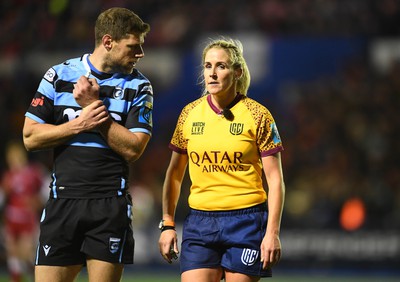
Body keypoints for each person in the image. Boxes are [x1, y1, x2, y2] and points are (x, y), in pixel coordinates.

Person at [22, 7, 153, 282]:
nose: (140, 54)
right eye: (133, 46)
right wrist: (78, 124)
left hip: (109, 206)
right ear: (108, 42)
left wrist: (94, 107)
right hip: (63, 202)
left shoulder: (139, 86)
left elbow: (133, 149)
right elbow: (30, 137)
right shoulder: (58, 76)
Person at [158, 37, 285, 282]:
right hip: (200, 221)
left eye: (221, 66)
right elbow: (174, 174)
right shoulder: (189, 114)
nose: (213, 73)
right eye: (208, 66)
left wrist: (272, 233)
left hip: (246, 221)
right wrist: (168, 224)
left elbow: (275, 179)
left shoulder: (258, 115)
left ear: (237, 72)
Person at [0, 141, 47, 282]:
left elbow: (47, 188)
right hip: (11, 219)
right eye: (11, 157)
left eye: (16, 156)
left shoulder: (34, 172)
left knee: (27, 253)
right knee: (12, 253)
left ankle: (36, 277)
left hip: (28, 219)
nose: (13, 160)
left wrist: (38, 201)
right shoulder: (8, 176)